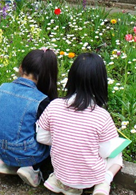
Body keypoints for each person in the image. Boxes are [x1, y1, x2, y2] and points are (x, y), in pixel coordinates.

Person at [37, 53, 123, 195]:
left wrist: (64, 137)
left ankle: (59, 182)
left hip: (61, 171)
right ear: (100, 82)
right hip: (89, 177)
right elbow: (106, 152)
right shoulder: (101, 116)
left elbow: (41, 137)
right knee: (117, 154)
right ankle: (104, 182)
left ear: (71, 78)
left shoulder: (54, 105)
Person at [0, 49, 58, 187]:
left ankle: (6, 163)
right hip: (26, 153)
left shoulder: (1, 88)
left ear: (21, 68)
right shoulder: (41, 100)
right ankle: (32, 168)